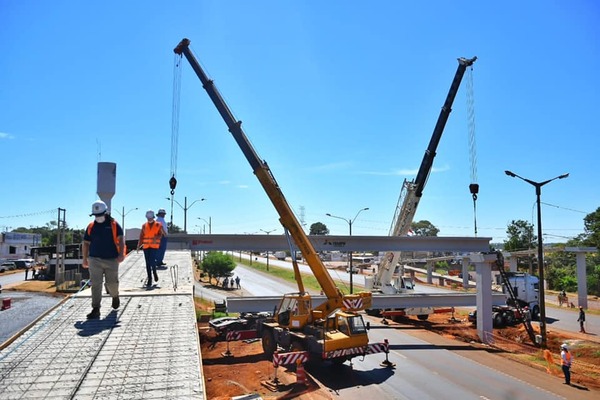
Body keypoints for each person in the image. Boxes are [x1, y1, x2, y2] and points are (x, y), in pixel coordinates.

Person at [82, 200, 125, 319]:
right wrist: (85, 259)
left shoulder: (114, 225)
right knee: (96, 284)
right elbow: (85, 243)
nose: (98, 217)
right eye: (96, 215)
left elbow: (121, 240)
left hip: (111, 260)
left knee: (112, 283)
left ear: (105, 213)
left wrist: (121, 254)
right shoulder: (91, 226)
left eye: (100, 215)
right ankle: (96, 308)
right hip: (94, 260)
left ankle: (115, 296)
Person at [138, 210, 164, 289]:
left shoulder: (158, 225)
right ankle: (150, 278)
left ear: (153, 217)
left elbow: (161, 234)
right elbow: (141, 236)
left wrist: (157, 238)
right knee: (147, 263)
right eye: (148, 218)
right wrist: (138, 246)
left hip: (154, 246)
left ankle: (154, 273)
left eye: (150, 218)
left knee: (152, 261)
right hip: (146, 246)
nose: (149, 219)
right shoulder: (144, 226)